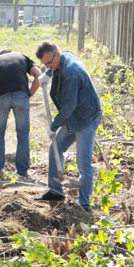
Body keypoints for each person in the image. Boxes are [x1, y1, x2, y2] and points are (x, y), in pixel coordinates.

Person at [35, 41, 102, 211]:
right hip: (72, 117)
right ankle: (56, 190)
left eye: (49, 63)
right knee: (55, 149)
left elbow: (68, 106)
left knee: (83, 162)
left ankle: (84, 203)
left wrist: (54, 125)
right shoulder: (62, 57)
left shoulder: (71, 72)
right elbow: (64, 55)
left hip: (86, 118)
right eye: (44, 64)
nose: (48, 66)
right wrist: (49, 73)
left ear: (57, 55)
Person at [0, 51, 42, 180]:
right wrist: (29, 94)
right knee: (23, 133)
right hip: (21, 96)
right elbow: (39, 75)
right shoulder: (22, 57)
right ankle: (22, 171)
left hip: (1, 98)